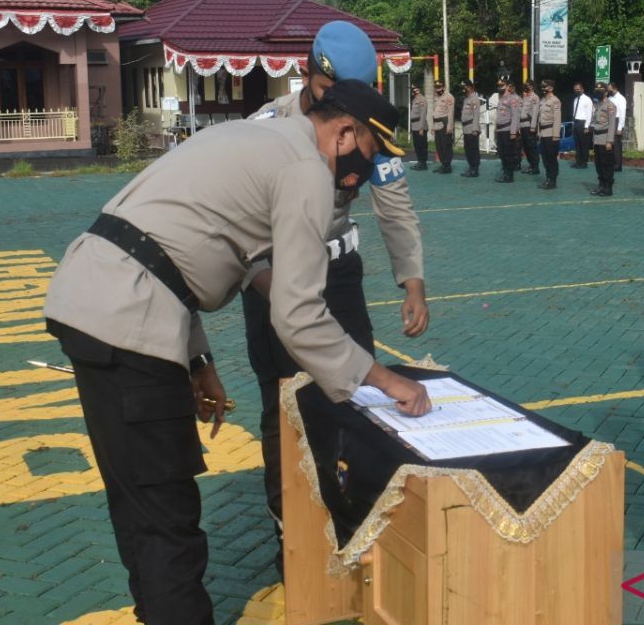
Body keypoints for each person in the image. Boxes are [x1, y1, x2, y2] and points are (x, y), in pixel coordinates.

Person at [42, 79, 431, 625]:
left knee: (140, 505)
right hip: (125, 315)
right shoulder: (306, 170)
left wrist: (197, 362)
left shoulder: (254, 138)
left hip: (97, 296)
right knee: (166, 518)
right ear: (344, 132)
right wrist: (386, 380)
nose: (363, 176)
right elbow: (297, 315)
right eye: (369, 155)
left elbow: (179, 249)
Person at [245, 21, 428, 574]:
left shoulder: (367, 123)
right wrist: (275, 291)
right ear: (308, 72)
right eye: (332, 93)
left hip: (336, 275)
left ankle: (355, 529)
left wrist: (412, 283)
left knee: (355, 396)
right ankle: (291, 540)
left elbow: (394, 204)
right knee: (283, 409)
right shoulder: (265, 126)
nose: (344, 108)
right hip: (272, 277)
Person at [589, 83, 618, 196]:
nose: (598, 92)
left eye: (601, 90)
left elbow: (612, 125)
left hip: (605, 139)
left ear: (606, 92)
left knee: (606, 165)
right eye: (597, 90)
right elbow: (595, 123)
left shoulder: (610, 106)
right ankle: (601, 185)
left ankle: (608, 188)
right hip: (597, 138)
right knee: (599, 165)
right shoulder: (597, 105)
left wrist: (609, 141)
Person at [536, 79, 562, 189]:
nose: (543, 89)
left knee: (551, 158)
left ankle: (553, 180)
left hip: (551, 133)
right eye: (542, 87)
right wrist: (538, 132)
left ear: (551, 88)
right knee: (545, 158)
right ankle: (548, 178)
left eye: (545, 87)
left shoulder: (555, 101)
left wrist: (556, 135)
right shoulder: (542, 100)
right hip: (543, 133)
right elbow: (539, 119)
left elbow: (557, 119)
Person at [494, 81, 521, 183]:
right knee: (501, 153)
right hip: (500, 130)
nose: (500, 87)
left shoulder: (512, 99)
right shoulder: (501, 99)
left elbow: (515, 116)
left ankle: (509, 175)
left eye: (502, 85)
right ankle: (505, 173)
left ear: (507, 87)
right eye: (499, 86)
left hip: (508, 130)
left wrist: (513, 132)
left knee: (508, 154)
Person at [460, 80, 483, 177]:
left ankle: (475, 169)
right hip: (466, 128)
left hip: (472, 128)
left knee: (473, 149)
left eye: (465, 87)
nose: (463, 89)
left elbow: (476, 115)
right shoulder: (466, 99)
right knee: (467, 149)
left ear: (470, 87)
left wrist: (474, 129)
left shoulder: (474, 99)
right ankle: (471, 167)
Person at [432, 80, 455, 173]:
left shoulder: (449, 97)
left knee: (446, 146)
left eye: (440, 87)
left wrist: (450, 127)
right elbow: (434, 112)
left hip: (444, 124)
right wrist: (432, 126)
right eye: (436, 87)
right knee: (439, 146)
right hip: (437, 124)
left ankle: (447, 166)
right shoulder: (436, 97)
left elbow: (450, 112)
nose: (438, 89)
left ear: (444, 87)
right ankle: (443, 164)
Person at [570, 81, 593, 168]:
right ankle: (578, 161)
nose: (577, 91)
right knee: (577, 144)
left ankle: (584, 162)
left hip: (583, 123)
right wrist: (573, 123)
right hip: (576, 122)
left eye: (578, 89)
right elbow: (574, 112)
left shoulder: (587, 99)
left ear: (582, 89)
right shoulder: (575, 99)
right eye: (575, 90)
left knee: (584, 144)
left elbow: (589, 113)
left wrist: (587, 126)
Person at [408, 84, 429, 170]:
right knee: (417, 145)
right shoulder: (415, 99)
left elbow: (423, 114)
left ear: (418, 90)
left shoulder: (422, 99)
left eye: (414, 89)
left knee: (422, 145)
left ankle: (423, 163)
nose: (413, 91)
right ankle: (419, 161)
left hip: (420, 126)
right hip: (414, 126)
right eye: (412, 89)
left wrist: (421, 128)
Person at [609, 81, 627, 172]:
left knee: (616, 145)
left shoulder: (621, 98)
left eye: (610, 89)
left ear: (615, 88)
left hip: (617, 121)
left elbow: (622, 113)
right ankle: (612, 163)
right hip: (610, 121)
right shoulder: (610, 98)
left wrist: (620, 127)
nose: (609, 90)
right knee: (610, 143)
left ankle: (617, 165)